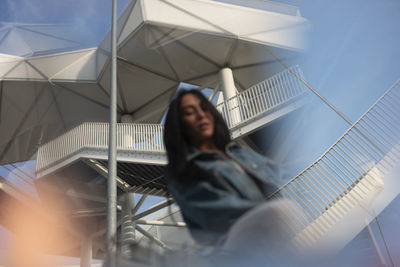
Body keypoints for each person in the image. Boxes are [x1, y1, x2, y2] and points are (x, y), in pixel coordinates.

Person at [163, 89, 298, 264]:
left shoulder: (241, 152)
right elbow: (222, 213)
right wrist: (280, 213)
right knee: (281, 211)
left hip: (282, 233)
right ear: (179, 125)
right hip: (238, 249)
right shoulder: (184, 171)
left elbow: (286, 179)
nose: (201, 115)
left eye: (204, 108)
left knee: (286, 210)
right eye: (189, 113)